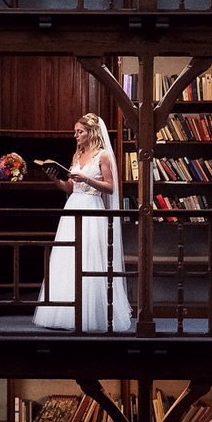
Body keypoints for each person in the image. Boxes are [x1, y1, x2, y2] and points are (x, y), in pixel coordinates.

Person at [34, 113, 134, 332]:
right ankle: (64, 310)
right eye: (75, 132)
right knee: (68, 257)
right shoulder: (77, 154)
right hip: (73, 207)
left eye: (80, 132)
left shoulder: (103, 156)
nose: (76, 136)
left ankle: (93, 313)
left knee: (90, 257)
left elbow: (110, 187)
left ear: (92, 132)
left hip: (91, 208)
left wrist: (87, 179)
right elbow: (70, 188)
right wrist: (55, 179)